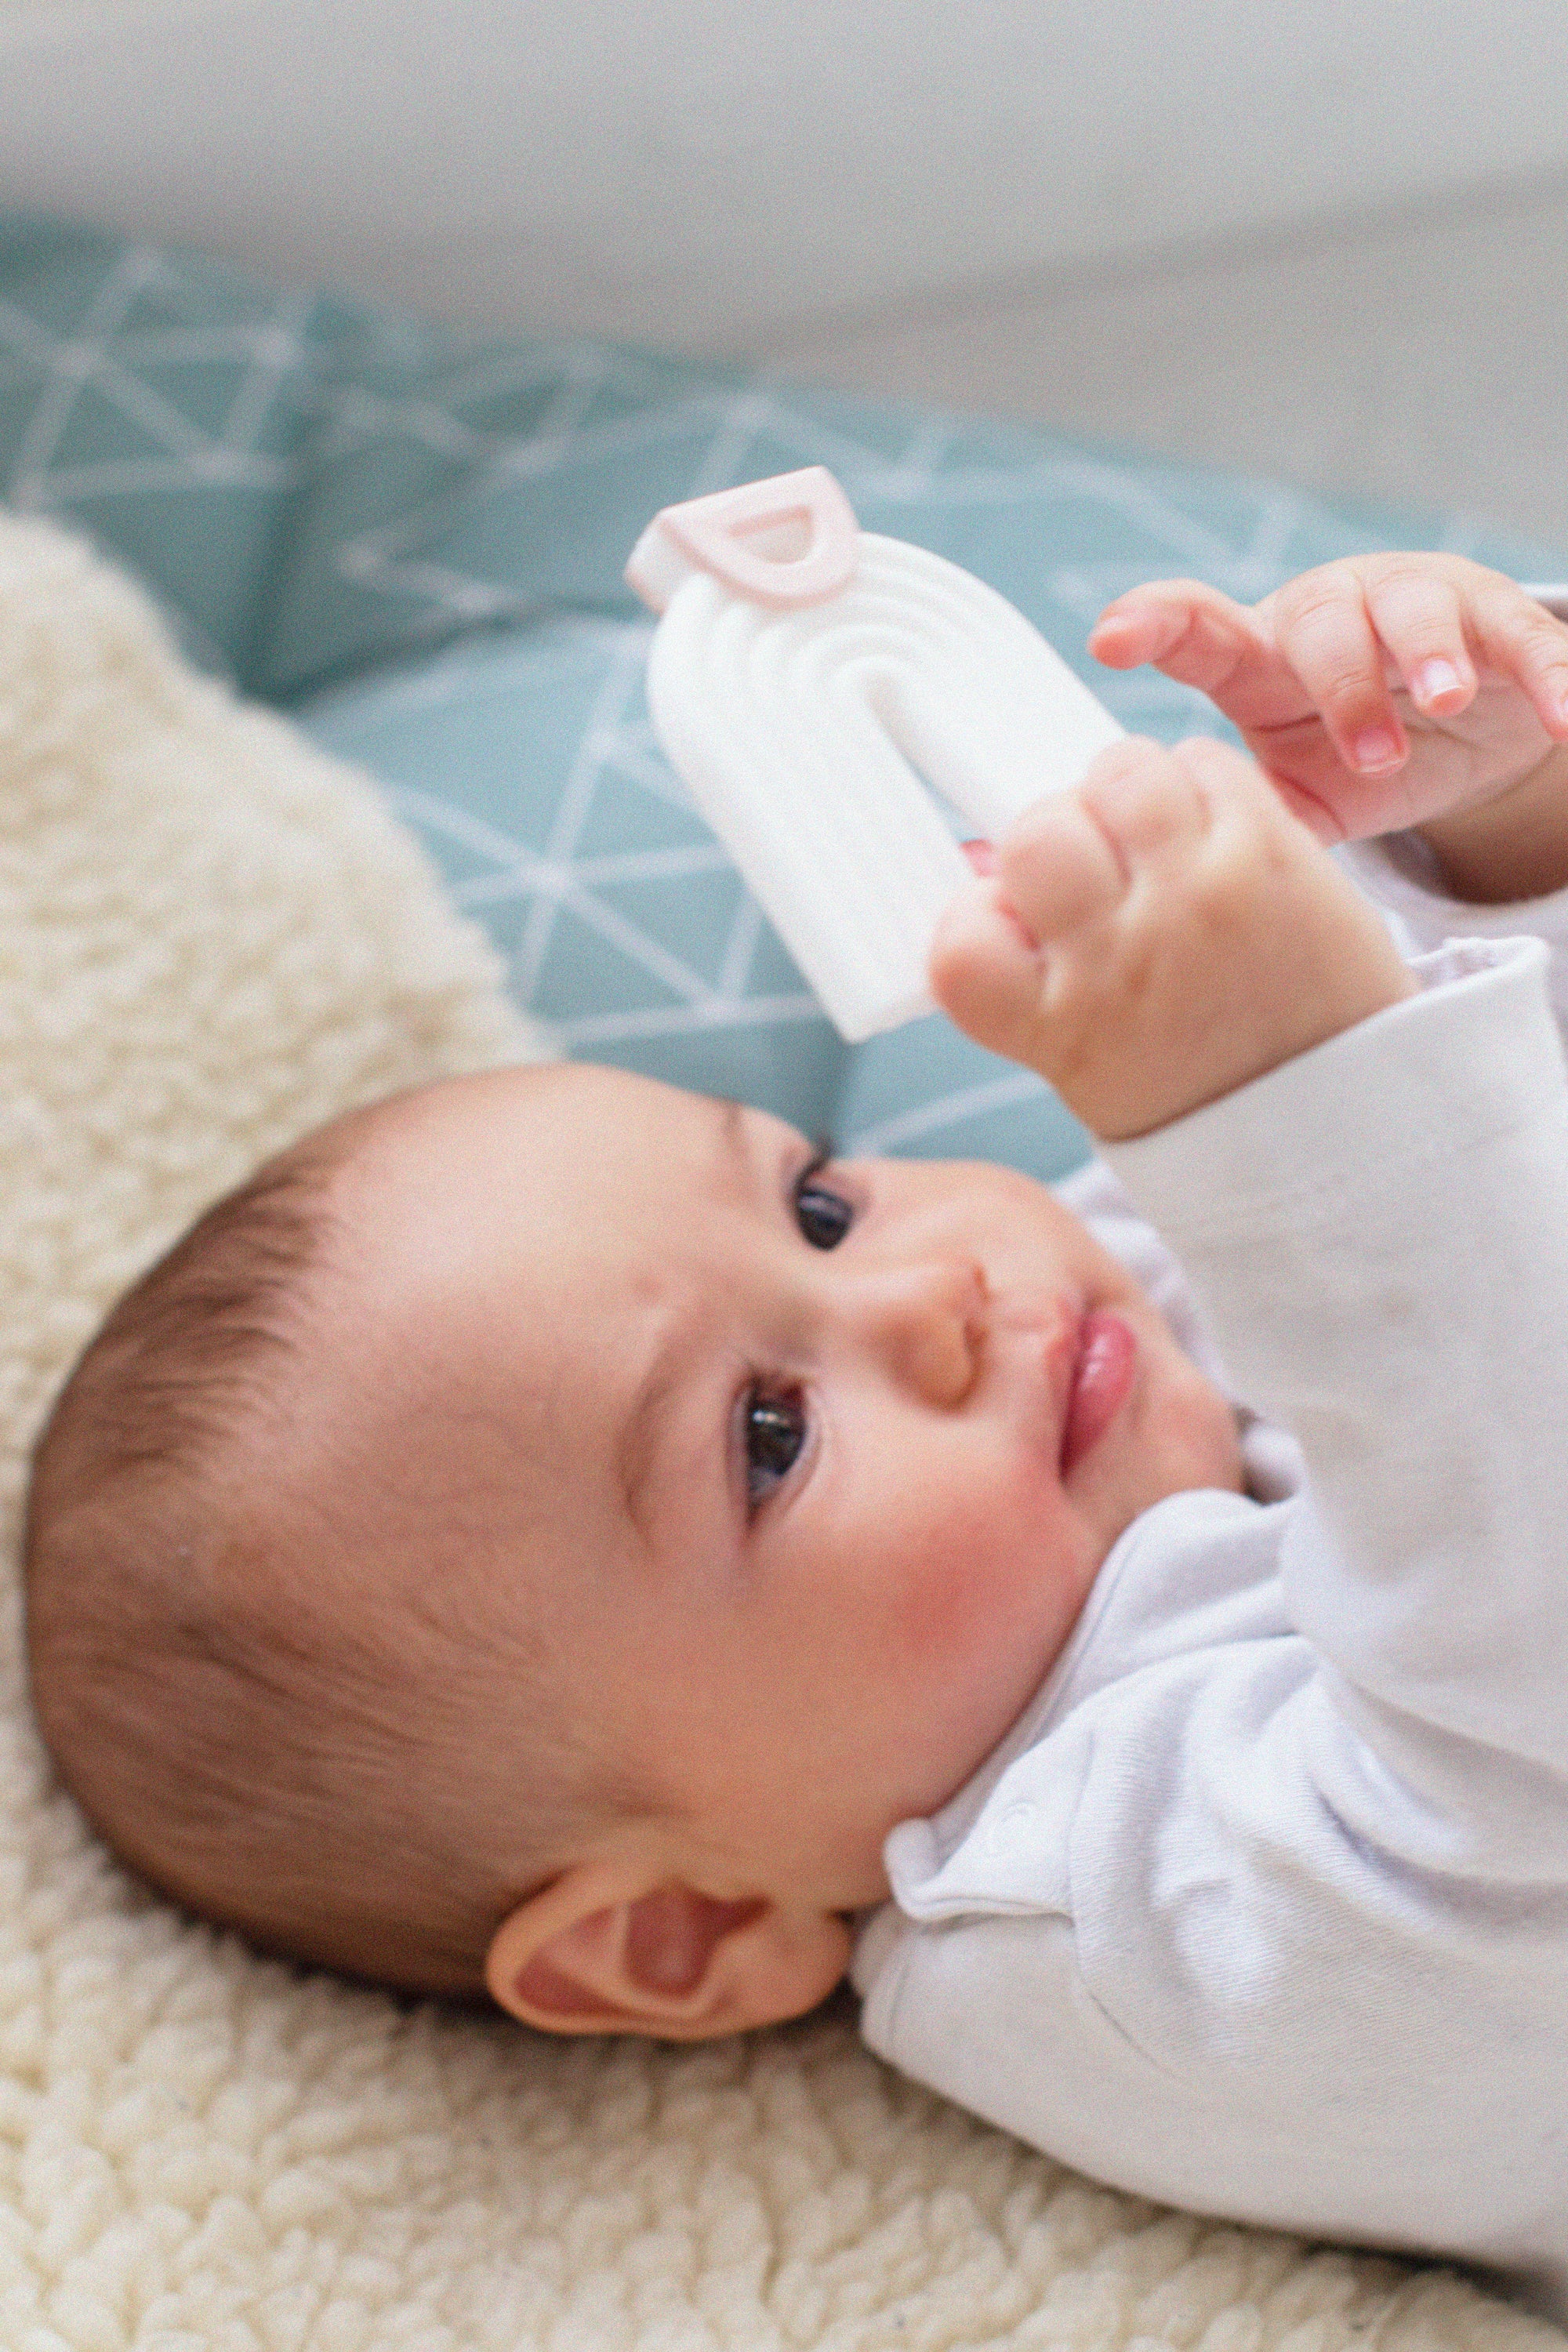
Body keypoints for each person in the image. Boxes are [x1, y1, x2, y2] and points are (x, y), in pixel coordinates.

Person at [21, 554, 1568, 2320]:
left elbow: (1494, 1125)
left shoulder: (1111, 1326)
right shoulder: (1093, 1948)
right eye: (766, 1438)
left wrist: (1479, 824)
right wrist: (1294, 1102)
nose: (926, 1296)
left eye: (818, 1209)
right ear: (680, 1935)